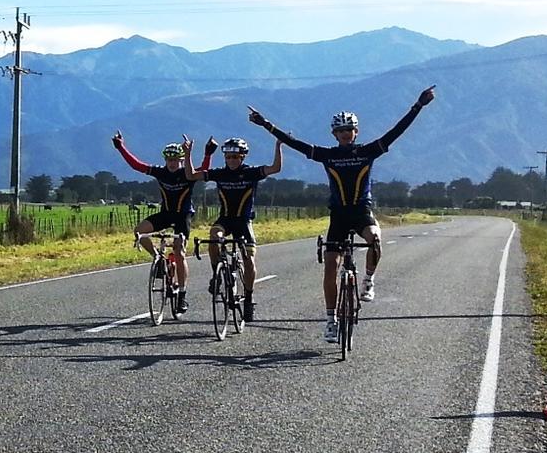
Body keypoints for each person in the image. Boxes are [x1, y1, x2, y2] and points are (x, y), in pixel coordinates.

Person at [248, 86, 435, 342]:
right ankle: (331, 320)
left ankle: (368, 280)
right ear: (334, 134)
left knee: (375, 239)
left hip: (361, 211)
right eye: (340, 131)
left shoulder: (368, 151)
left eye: (349, 130)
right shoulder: (328, 155)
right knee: (330, 268)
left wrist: (418, 105)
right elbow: (295, 144)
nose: (345, 134)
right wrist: (265, 124)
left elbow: (396, 132)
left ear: (355, 132)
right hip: (338, 215)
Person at [112, 130, 218, 314]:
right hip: (166, 213)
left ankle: (182, 294)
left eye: (175, 160)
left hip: (183, 215)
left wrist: (208, 153)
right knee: (139, 231)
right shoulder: (161, 173)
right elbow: (137, 165)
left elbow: (203, 169)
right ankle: (158, 258)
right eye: (169, 160)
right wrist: (121, 147)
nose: (172, 163)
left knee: (179, 251)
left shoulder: (188, 173)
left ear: (182, 160)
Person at [183, 135, 282, 322]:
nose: (231, 161)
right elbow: (190, 175)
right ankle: (217, 274)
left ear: (243, 157)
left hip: (244, 222)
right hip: (226, 220)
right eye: (228, 157)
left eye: (235, 157)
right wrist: (188, 154)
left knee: (249, 260)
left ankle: (249, 299)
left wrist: (278, 146)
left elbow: (275, 168)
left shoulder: (251, 172)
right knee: (213, 236)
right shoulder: (220, 173)